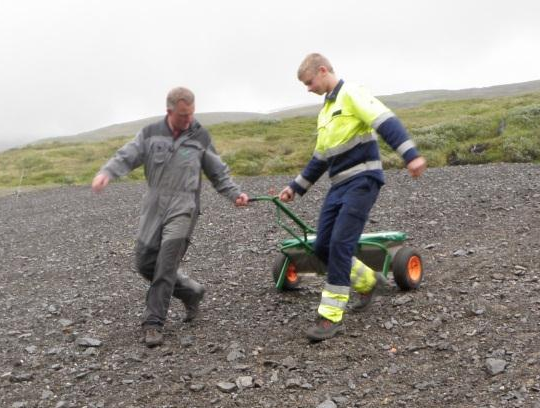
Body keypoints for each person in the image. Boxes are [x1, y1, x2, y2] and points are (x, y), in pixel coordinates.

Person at [279, 53, 427, 342]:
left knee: (340, 244)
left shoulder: (351, 94)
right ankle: (368, 281)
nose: (308, 88)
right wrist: (295, 187)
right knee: (321, 246)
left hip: (363, 180)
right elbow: (320, 158)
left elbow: (385, 121)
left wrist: (410, 154)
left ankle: (330, 318)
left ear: (323, 71)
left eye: (309, 82)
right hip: (339, 186)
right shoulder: (325, 112)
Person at [92, 87, 249, 348]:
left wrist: (234, 194)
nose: (188, 121)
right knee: (145, 263)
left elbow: (218, 172)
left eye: (191, 114)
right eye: (183, 116)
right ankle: (191, 291)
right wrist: (107, 173)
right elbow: (127, 155)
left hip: (184, 206)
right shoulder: (151, 133)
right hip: (154, 205)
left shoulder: (200, 136)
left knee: (166, 263)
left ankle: (153, 323)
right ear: (169, 111)